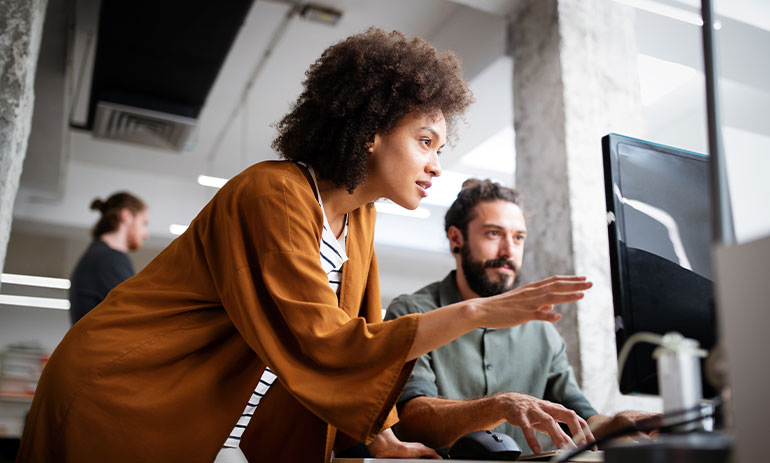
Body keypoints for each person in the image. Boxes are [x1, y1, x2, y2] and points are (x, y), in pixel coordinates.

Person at [17, 29, 592, 463]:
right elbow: (327, 343)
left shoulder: (360, 218)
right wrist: (477, 312)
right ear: (371, 129)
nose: (436, 166)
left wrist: (384, 440)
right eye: (424, 141)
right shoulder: (272, 192)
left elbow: (363, 343)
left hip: (215, 416)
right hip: (126, 391)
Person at [385, 179, 656, 455]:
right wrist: (500, 405)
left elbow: (580, 418)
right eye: (494, 234)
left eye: (518, 237)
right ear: (456, 239)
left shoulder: (541, 329)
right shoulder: (412, 313)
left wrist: (618, 424)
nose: (508, 251)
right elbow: (410, 420)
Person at [68, 192, 149, 325]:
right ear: (126, 216)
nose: (146, 234)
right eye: (144, 223)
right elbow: (136, 315)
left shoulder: (98, 255)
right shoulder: (110, 259)